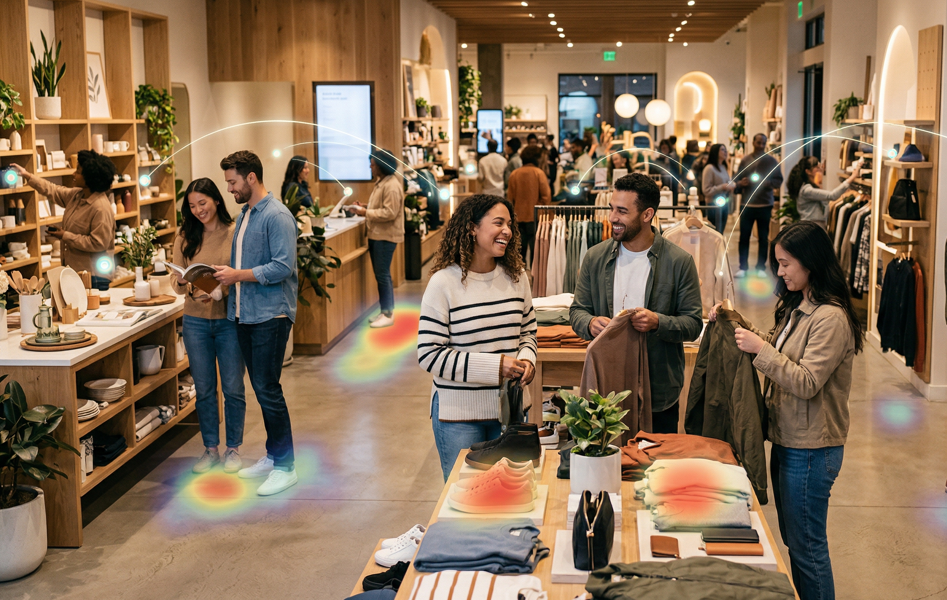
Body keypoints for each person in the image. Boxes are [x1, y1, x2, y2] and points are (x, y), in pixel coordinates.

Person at [710, 221, 861, 600]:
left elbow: (807, 380)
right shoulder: (802, 305)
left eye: (785, 264)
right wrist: (738, 327)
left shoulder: (831, 318)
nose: (779, 272)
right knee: (797, 543)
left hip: (811, 450)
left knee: (808, 550)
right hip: (790, 441)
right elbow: (782, 349)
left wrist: (760, 351)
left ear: (810, 262)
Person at [570, 173, 703, 433]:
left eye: (622, 211)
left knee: (656, 467)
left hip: (659, 387)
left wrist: (657, 322)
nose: (612, 218)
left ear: (647, 214)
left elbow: (693, 324)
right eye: (611, 209)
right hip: (606, 387)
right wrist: (590, 323)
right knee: (609, 465)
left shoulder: (678, 262)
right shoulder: (595, 258)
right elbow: (577, 311)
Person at [418, 194, 538, 480]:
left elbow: (528, 330)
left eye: (509, 224)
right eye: (498, 223)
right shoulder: (443, 283)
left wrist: (526, 360)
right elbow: (429, 354)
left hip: (511, 410)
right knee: (466, 497)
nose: (507, 231)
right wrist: (497, 367)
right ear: (472, 228)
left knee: (511, 493)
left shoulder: (516, 277)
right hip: (459, 414)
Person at [213, 150, 298, 497]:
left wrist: (237, 276)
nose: (230, 189)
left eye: (233, 182)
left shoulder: (277, 216)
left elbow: (283, 267)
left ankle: (286, 466)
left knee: (268, 389)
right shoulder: (245, 214)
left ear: (251, 178)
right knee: (263, 389)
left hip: (271, 315)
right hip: (244, 314)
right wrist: (221, 290)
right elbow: (240, 267)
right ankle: (274, 454)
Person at [171, 178, 246, 474]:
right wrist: (181, 282)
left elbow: (239, 276)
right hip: (195, 321)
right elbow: (177, 285)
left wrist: (219, 290)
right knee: (203, 389)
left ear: (216, 200)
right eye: (192, 206)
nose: (198, 210)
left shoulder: (234, 232)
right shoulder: (184, 236)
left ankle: (233, 449)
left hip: (228, 320)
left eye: (203, 203)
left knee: (233, 388)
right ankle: (210, 449)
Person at [11, 152, 116, 289]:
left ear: (89, 178)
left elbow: (98, 243)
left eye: (78, 171)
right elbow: (53, 190)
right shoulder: (77, 195)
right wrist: (28, 175)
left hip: (94, 277)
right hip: (76, 273)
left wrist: (64, 235)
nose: (73, 174)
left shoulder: (100, 208)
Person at [350, 149, 405, 328]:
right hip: (378, 235)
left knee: (383, 276)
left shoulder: (391, 185)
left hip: (385, 236)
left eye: (372, 164)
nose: (370, 167)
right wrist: (364, 207)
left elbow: (390, 212)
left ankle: (388, 313)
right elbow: (381, 206)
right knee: (381, 275)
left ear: (381, 165)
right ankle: (384, 310)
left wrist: (365, 212)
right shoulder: (383, 182)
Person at [734, 133, 784, 278]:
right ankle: (743, 267)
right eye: (758, 142)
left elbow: (778, 181)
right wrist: (740, 184)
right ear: (753, 142)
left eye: (763, 143)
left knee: (763, 237)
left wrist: (763, 183)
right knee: (744, 236)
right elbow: (736, 180)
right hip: (747, 204)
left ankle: (761, 267)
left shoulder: (771, 161)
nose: (761, 145)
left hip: (764, 204)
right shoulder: (745, 160)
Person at [788, 156, 862, 228]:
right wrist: (852, 177)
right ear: (808, 171)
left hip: (812, 225)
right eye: (816, 167)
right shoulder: (807, 190)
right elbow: (832, 196)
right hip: (812, 227)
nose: (819, 169)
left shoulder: (808, 187)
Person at [507, 145, 552, 263]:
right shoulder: (539, 173)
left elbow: (510, 199)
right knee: (535, 252)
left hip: (518, 217)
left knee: (519, 252)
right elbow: (546, 197)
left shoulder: (514, 174)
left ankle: (520, 277)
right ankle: (535, 279)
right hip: (535, 217)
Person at [702, 143, 736, 234]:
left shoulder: (723, 167)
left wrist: (731, 185)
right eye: (722, 150)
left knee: (721, 232)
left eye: (726, 150)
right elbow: (706, 190)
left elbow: (727, 181)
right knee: (715, 233)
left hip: (724, 203)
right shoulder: (709, 168)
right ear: (715, 152)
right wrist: (722, 187)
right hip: (713, 204)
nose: (725, 152)